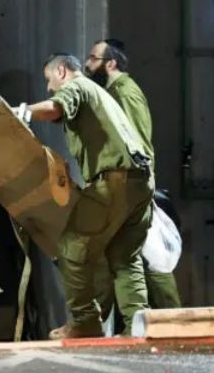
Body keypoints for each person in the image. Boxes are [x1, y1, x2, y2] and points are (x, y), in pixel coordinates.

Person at [26, 53, 153, 338]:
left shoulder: (78, 86)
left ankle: (85, 321)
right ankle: (138, 327)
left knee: (72, 248)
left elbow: (55, 107)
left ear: (61, 70)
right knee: (125, 258)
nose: (49, 87)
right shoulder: (102, 96)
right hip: (140, 182)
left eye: (49, 80)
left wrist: (20, 112)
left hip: (114, 182)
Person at [85, 40, 181, 312]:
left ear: (110, 64)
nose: (88, 65)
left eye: (93, 59)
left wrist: (138, 189)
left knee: (153, 259)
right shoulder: (111, 92)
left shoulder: (125, 93)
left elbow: (140, 144)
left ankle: (175, 324)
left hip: (131, 189)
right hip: (120, 189)